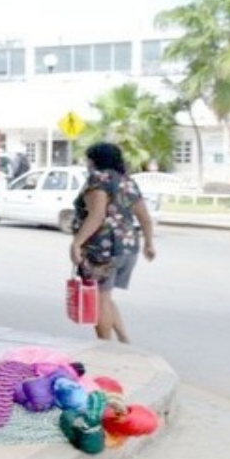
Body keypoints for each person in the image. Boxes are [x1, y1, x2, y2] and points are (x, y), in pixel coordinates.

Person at [69, 142, 157, 343]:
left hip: (101, 249)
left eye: (88, 159)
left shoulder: (98, 180)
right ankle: (124, 340)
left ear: (94, 160)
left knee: (99, 300)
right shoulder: (127, 182)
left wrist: (76, 243)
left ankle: (105, 347)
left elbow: (96, 215)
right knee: (105, 297)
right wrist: (149, 243)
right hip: (127, 249)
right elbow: (144, 216)